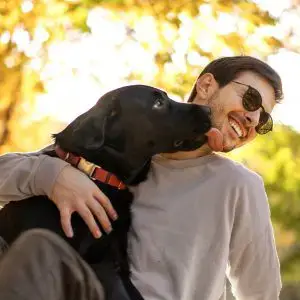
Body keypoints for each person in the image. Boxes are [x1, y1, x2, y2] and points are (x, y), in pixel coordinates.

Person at [0, 56, 283, 300]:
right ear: (207, 84)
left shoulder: (238, 185)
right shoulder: (122, 152)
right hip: (82, 288)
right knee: (35, 250)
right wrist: (51, 175)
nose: (254, 119)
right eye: (251, 99)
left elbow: (262, 293)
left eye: (264, 120)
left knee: (38, 249)